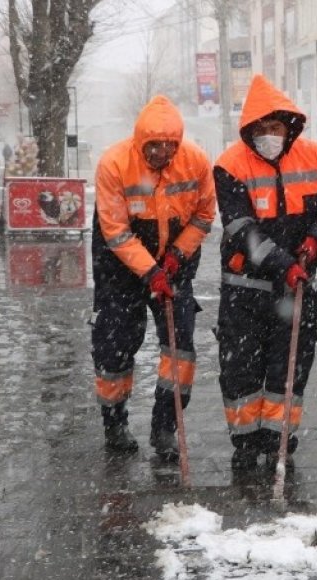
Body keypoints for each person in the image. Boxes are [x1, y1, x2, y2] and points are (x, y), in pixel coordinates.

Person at [214, 74, 317, 469]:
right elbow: (241, 228)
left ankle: (279, 441)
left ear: (289, 127)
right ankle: (244, 443)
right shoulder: (229, 165)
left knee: (288, 368)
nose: (269, 135)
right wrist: (283, 264)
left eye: (275, 127)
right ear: (249, 131)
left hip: (297, 287)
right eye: (261, 129)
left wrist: (314, 241)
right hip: (245, 288)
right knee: (241, 369)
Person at [91, 95, 216, 456]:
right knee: (114, 345)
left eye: (169, 145)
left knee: (181, 349)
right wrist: (149, 271)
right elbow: (115, 230)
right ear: (139, 141)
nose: (162, 152)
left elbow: (204, 215)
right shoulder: (114, 163)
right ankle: (114, 422)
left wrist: (177, 255)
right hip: (120, 265)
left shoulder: (195, 161)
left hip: (176, 258)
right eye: (154, 146)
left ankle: (165, 427)